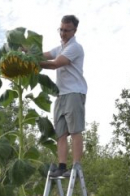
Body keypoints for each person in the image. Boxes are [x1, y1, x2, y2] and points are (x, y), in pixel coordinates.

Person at [40, 15, 87, 178]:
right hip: (60, 94)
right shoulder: (60, 47)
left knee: (75, 130)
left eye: (66, 30)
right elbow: (44, 55)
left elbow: (54, 64)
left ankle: (76, 165)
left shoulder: (75, 48)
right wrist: (26, 53)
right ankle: (61, 166)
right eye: (61, 29)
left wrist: (32, 65)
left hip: (74, 92)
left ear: (74, 31)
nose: (63, 33)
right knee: (60, 133)